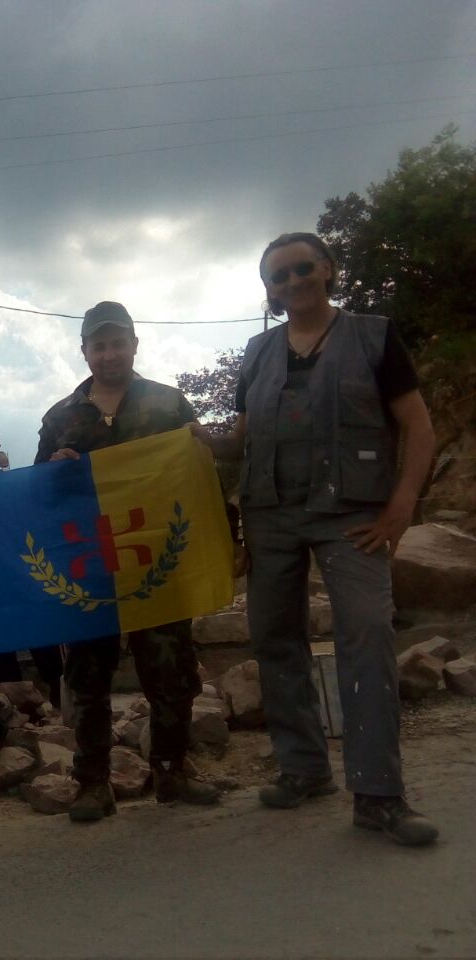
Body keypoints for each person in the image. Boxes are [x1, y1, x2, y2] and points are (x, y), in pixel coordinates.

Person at [194, 232, 438, 846]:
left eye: (303, 268)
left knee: (367, 633)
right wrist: (197, 439)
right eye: (278, 276)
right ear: (269, 291)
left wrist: (401, 509)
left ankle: (379, 794)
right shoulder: (258, 351)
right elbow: (242, 439)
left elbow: (418, 428)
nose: (293, 281)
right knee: (276, 639)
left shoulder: (374, 337)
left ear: (327, 269)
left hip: (351, 516)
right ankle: (303, 768)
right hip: (270, 514)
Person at [37, 302, 224, 823]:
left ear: (134, 345)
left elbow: (199, 474)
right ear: (84, 352)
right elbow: (39, 495)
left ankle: (172, 770)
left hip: (158, 561)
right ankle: (92, 782)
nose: (109, 354)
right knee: (88, 676)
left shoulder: (168, 404)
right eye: (99, 345)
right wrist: (53, 468)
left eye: (118, 343)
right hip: (91, 566)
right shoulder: (60, 417)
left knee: (170, 671)